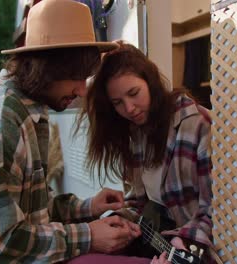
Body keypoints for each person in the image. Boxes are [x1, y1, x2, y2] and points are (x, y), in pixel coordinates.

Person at [0, 1, 142, 263]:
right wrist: (89, 235)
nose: (82, 90)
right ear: (47, 68)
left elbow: (33, 211)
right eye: (77, 76)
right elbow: (0, 245)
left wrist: (88, 206)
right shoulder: (0, 122)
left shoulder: (30, 112)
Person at [78, 42, 215, 263]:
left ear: (151, 82)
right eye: (118, 103)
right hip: (155, 244)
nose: (129, 108)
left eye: (134, 93)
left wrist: (187, 241)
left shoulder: (197, 124)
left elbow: (215, 207)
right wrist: (119, 219)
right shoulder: (136, 133)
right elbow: (144, 203)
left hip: (192, 248)